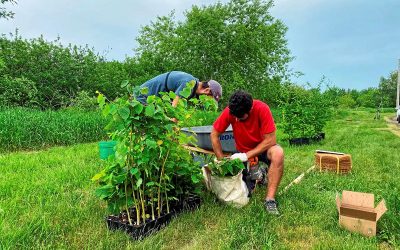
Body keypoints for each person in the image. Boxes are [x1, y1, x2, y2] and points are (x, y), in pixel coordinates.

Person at [210, 90, 284, 215]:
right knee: (247, 191)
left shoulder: (262, 108)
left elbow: (271, 140)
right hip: (242, 150)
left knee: (278, 153)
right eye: (235, 117)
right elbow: (214, 134)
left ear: (250, 109)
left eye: (241, 117)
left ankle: (270, 200)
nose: (237, 120)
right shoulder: (231, 111)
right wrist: (221, 161)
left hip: (263, 148)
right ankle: (259, 175)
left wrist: (246, 156)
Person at [135, 71, 222, 107]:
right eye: (208, 99)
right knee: (146, 127)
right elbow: (175, 107)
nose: (205, 101)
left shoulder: (193, 86)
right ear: (206, 90)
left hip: (153, 100)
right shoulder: (189, 84)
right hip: (143, 95)